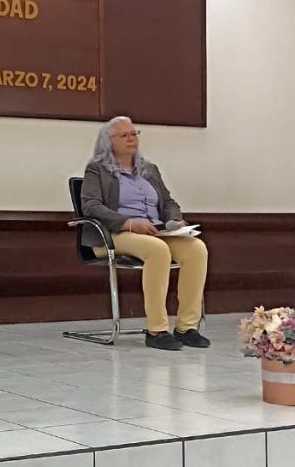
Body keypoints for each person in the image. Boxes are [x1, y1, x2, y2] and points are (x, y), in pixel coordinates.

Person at [80, 116, 210, 351]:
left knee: (196, 249)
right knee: (157, 250)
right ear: (109, 142)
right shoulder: (97, 169)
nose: (131, 139)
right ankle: (156, 330)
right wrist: (129, 224)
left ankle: (186, 327)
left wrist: (173, 221)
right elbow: (91, 206)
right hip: (114, 234)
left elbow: (168, 202)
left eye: (134, 134)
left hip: (156, 231)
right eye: (124, 135)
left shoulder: (149, 170)